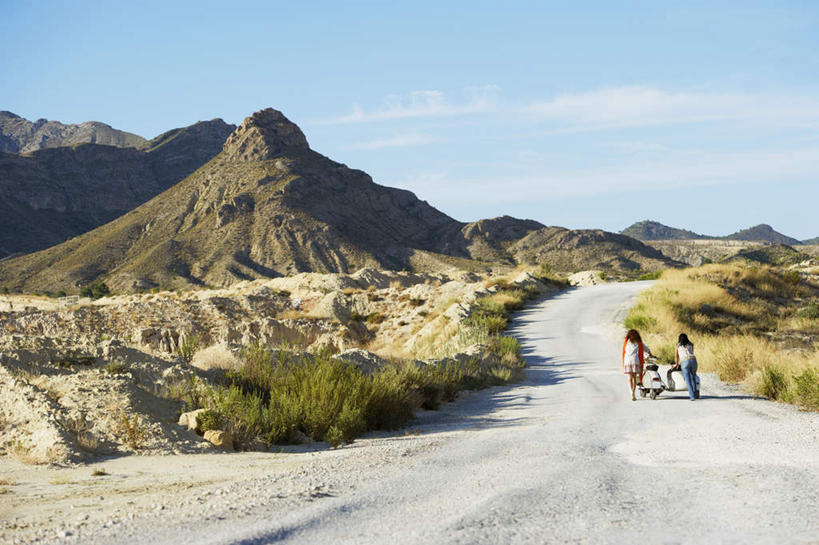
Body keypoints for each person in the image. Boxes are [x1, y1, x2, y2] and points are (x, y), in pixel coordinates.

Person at [622, 329, 653, 401]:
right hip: (635, 360)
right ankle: (633, 391)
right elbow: (646, 349)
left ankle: (631, 392)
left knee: (629, 378)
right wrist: (650, 354)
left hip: (627, 361)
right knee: (634, 378)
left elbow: (624, 351)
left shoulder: (626, 342)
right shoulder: (638, 342)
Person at [671, 333, 699, 400]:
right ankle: (695, 395)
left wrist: (677, 364)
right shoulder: (691, 344)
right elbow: (692, 352)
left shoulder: (677, 346)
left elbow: (676, 357)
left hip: (685, 361)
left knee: (688, 380)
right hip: (693, 360)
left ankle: (692, 397)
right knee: (693, 378)